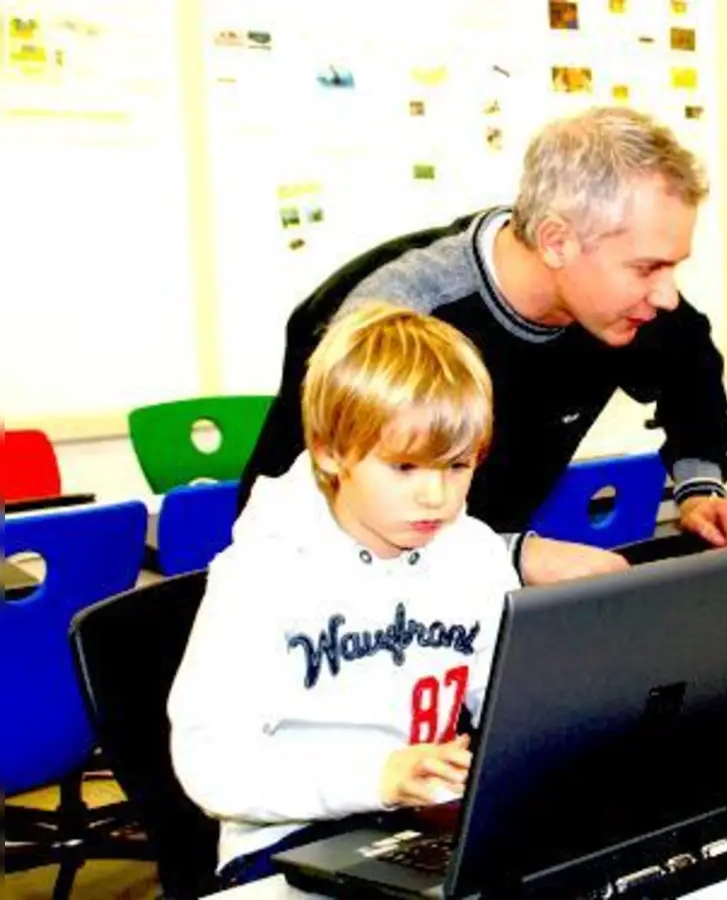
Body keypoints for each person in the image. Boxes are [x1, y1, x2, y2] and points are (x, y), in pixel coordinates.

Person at [238, 106, 727, 585]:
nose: (667, 294)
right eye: (648, 267)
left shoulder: (626, 306)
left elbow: (689, 369)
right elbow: (320, 530)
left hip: (483, 587)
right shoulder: (386, 318)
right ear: (556, 242)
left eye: (672, 265)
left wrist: (700, 486)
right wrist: (513, 556)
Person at [169, 304, 517, 887]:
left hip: (423, 820)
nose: (436, 496)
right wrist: (377, 777)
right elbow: (211, 765)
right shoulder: (262, 573)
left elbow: (510, 706)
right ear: (332, 451)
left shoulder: (474, 554)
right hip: (285, 841)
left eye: (458, 466)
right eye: (404, 467)